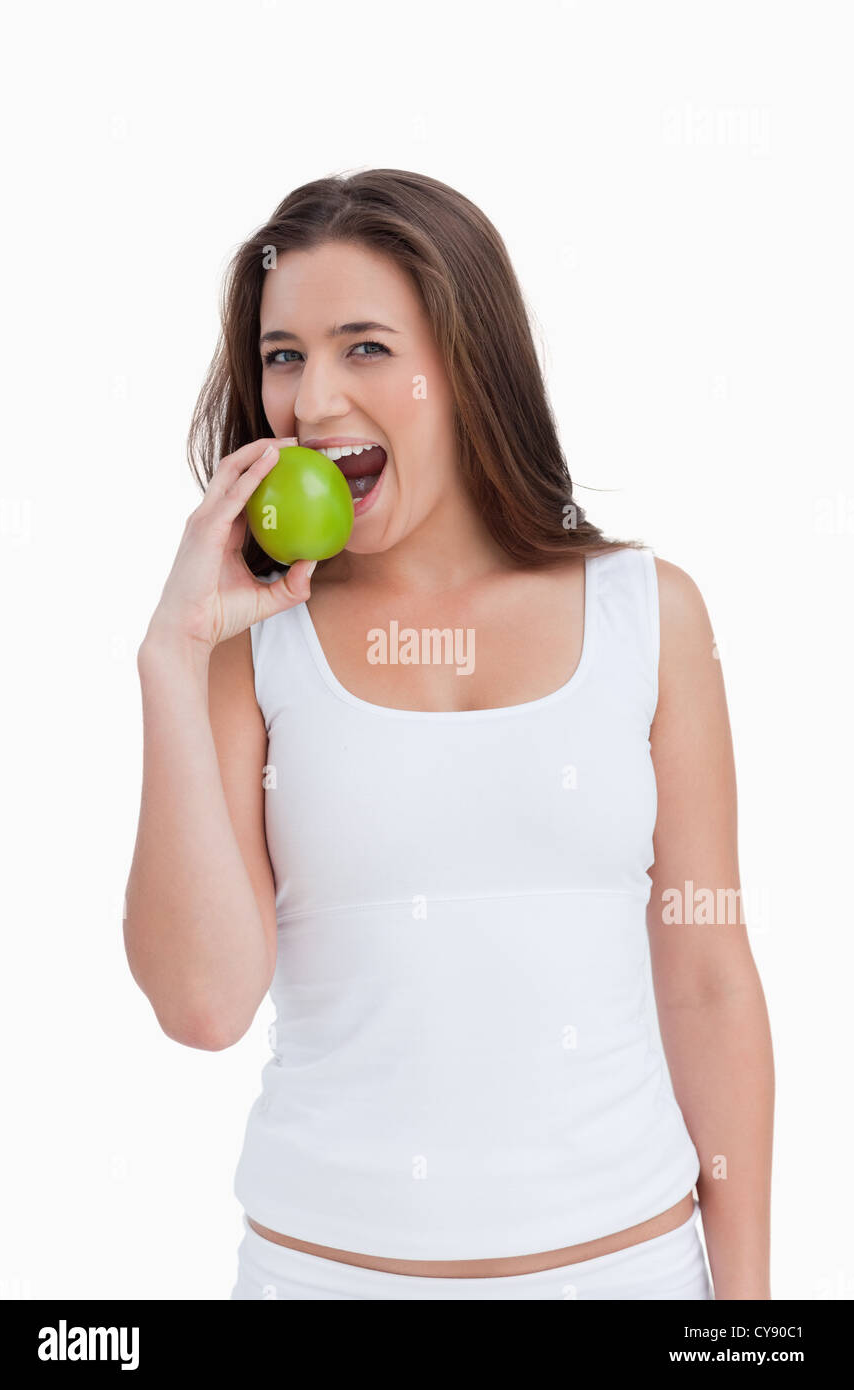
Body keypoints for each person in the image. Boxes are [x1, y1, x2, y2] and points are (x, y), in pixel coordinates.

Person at [124, 169, 774, 1300]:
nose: (311, 401)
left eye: (362, 346)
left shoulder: (646, 612)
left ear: (463, 361)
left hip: (625, 1273)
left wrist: (749, 1316)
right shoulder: (250, 644)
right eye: (283, 356)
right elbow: (203, 1005)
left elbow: (708, 978)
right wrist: (171, 661)